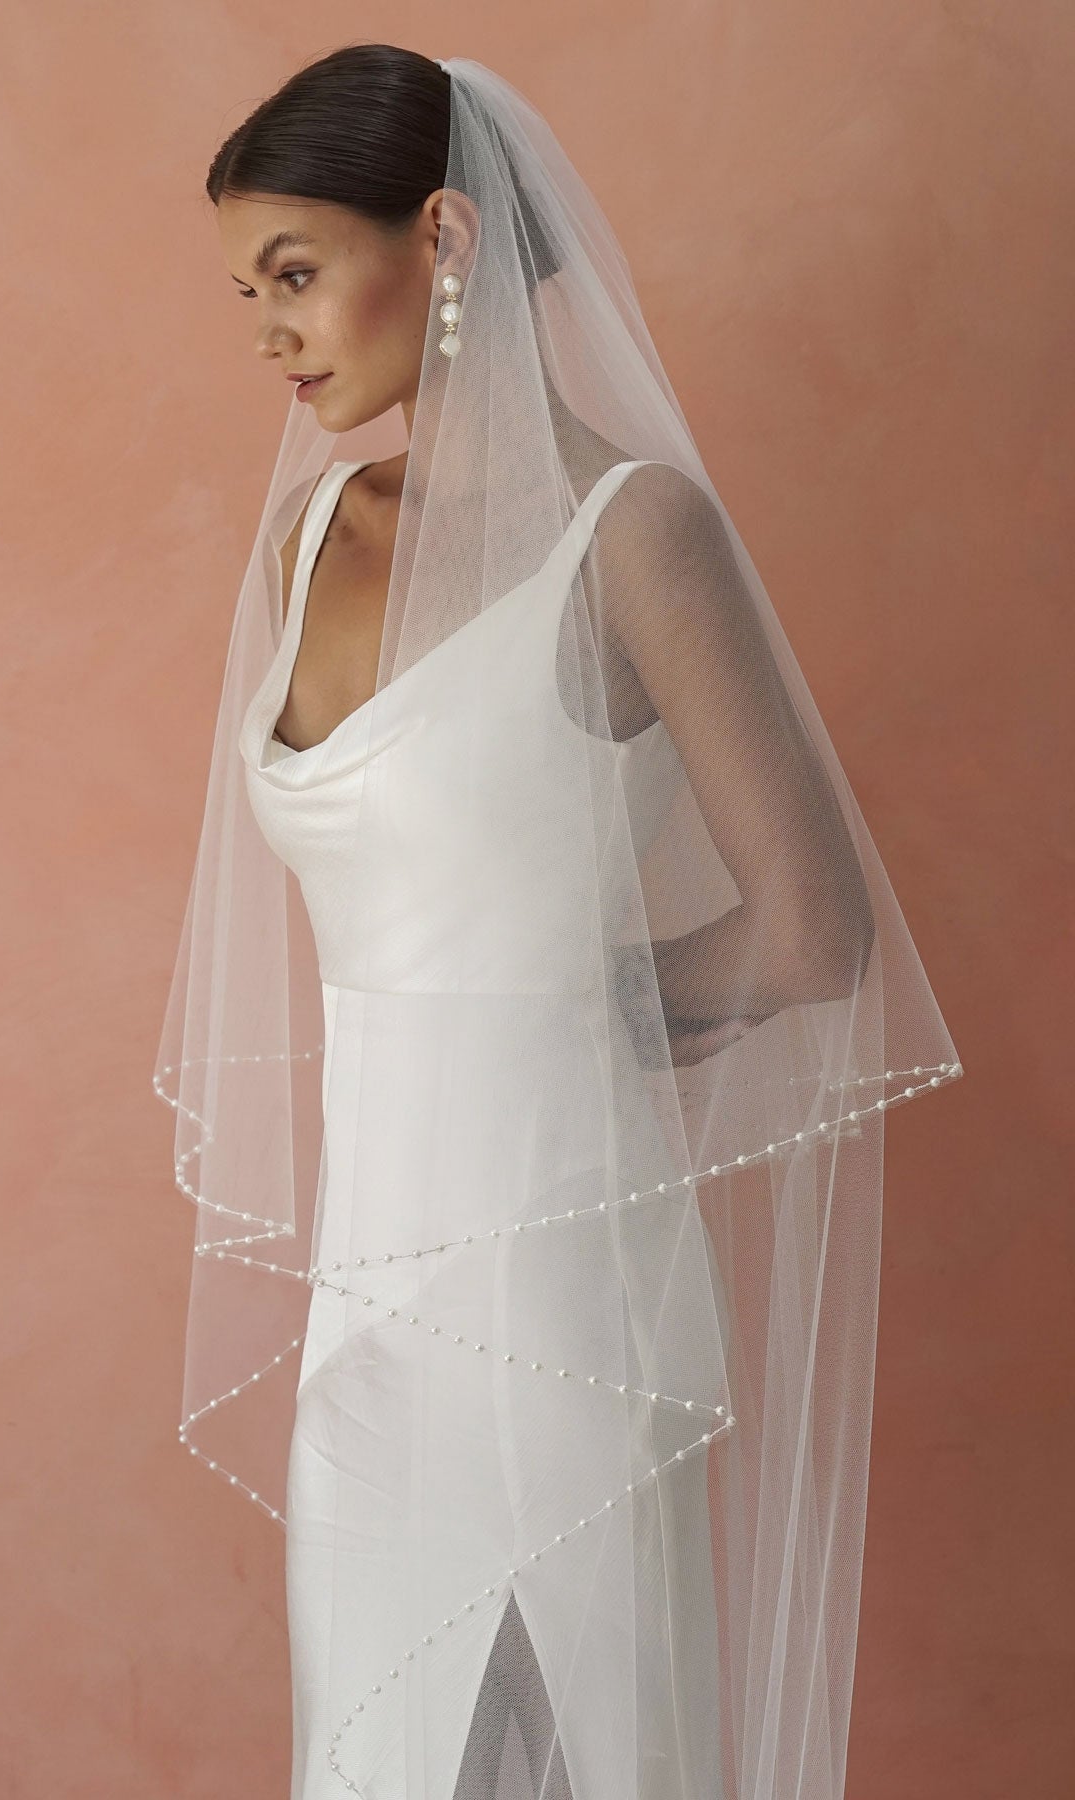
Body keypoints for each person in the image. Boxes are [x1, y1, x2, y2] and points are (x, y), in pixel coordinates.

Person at [154, 44, 964, 1800]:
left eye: (295, 273)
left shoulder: (633, 536)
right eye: (250, 292)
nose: (270, 332)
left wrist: (577, 1000)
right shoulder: (307, 541)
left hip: (565, 1300)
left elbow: (813, 930)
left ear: (439, 239)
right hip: (366, 1318)